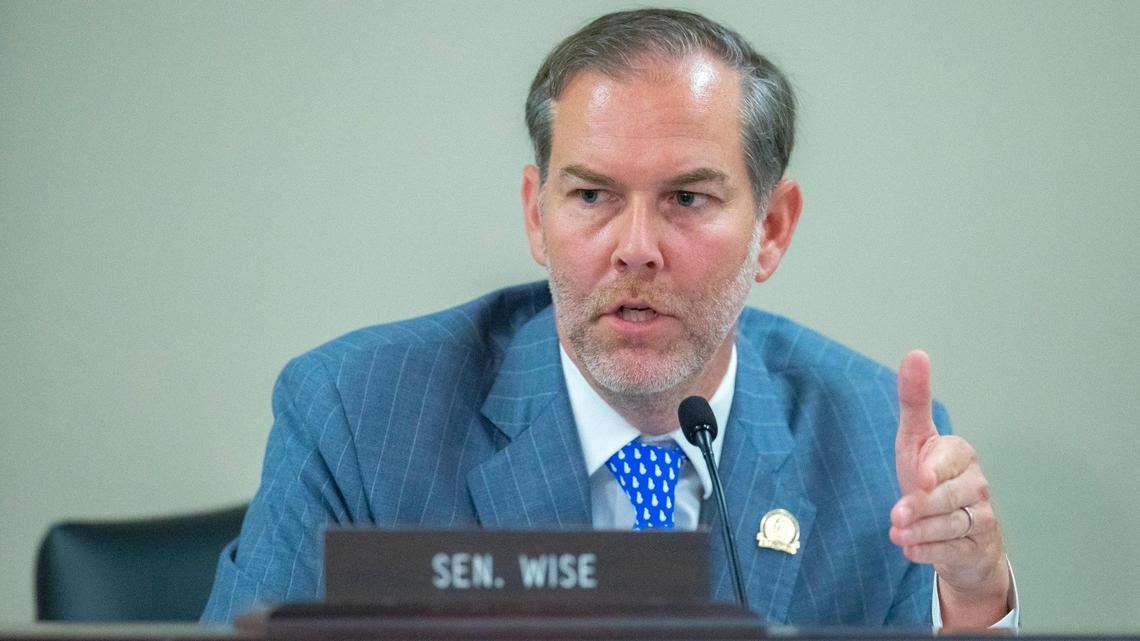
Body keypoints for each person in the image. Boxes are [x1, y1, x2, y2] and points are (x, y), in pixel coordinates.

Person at [202, 8, 1017, 629]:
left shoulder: (872, 440)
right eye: (592, 196)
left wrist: (975, 601)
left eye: (687, 199)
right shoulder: (361, 415)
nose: (636, 249)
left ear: (772, 229)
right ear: (536, 213)